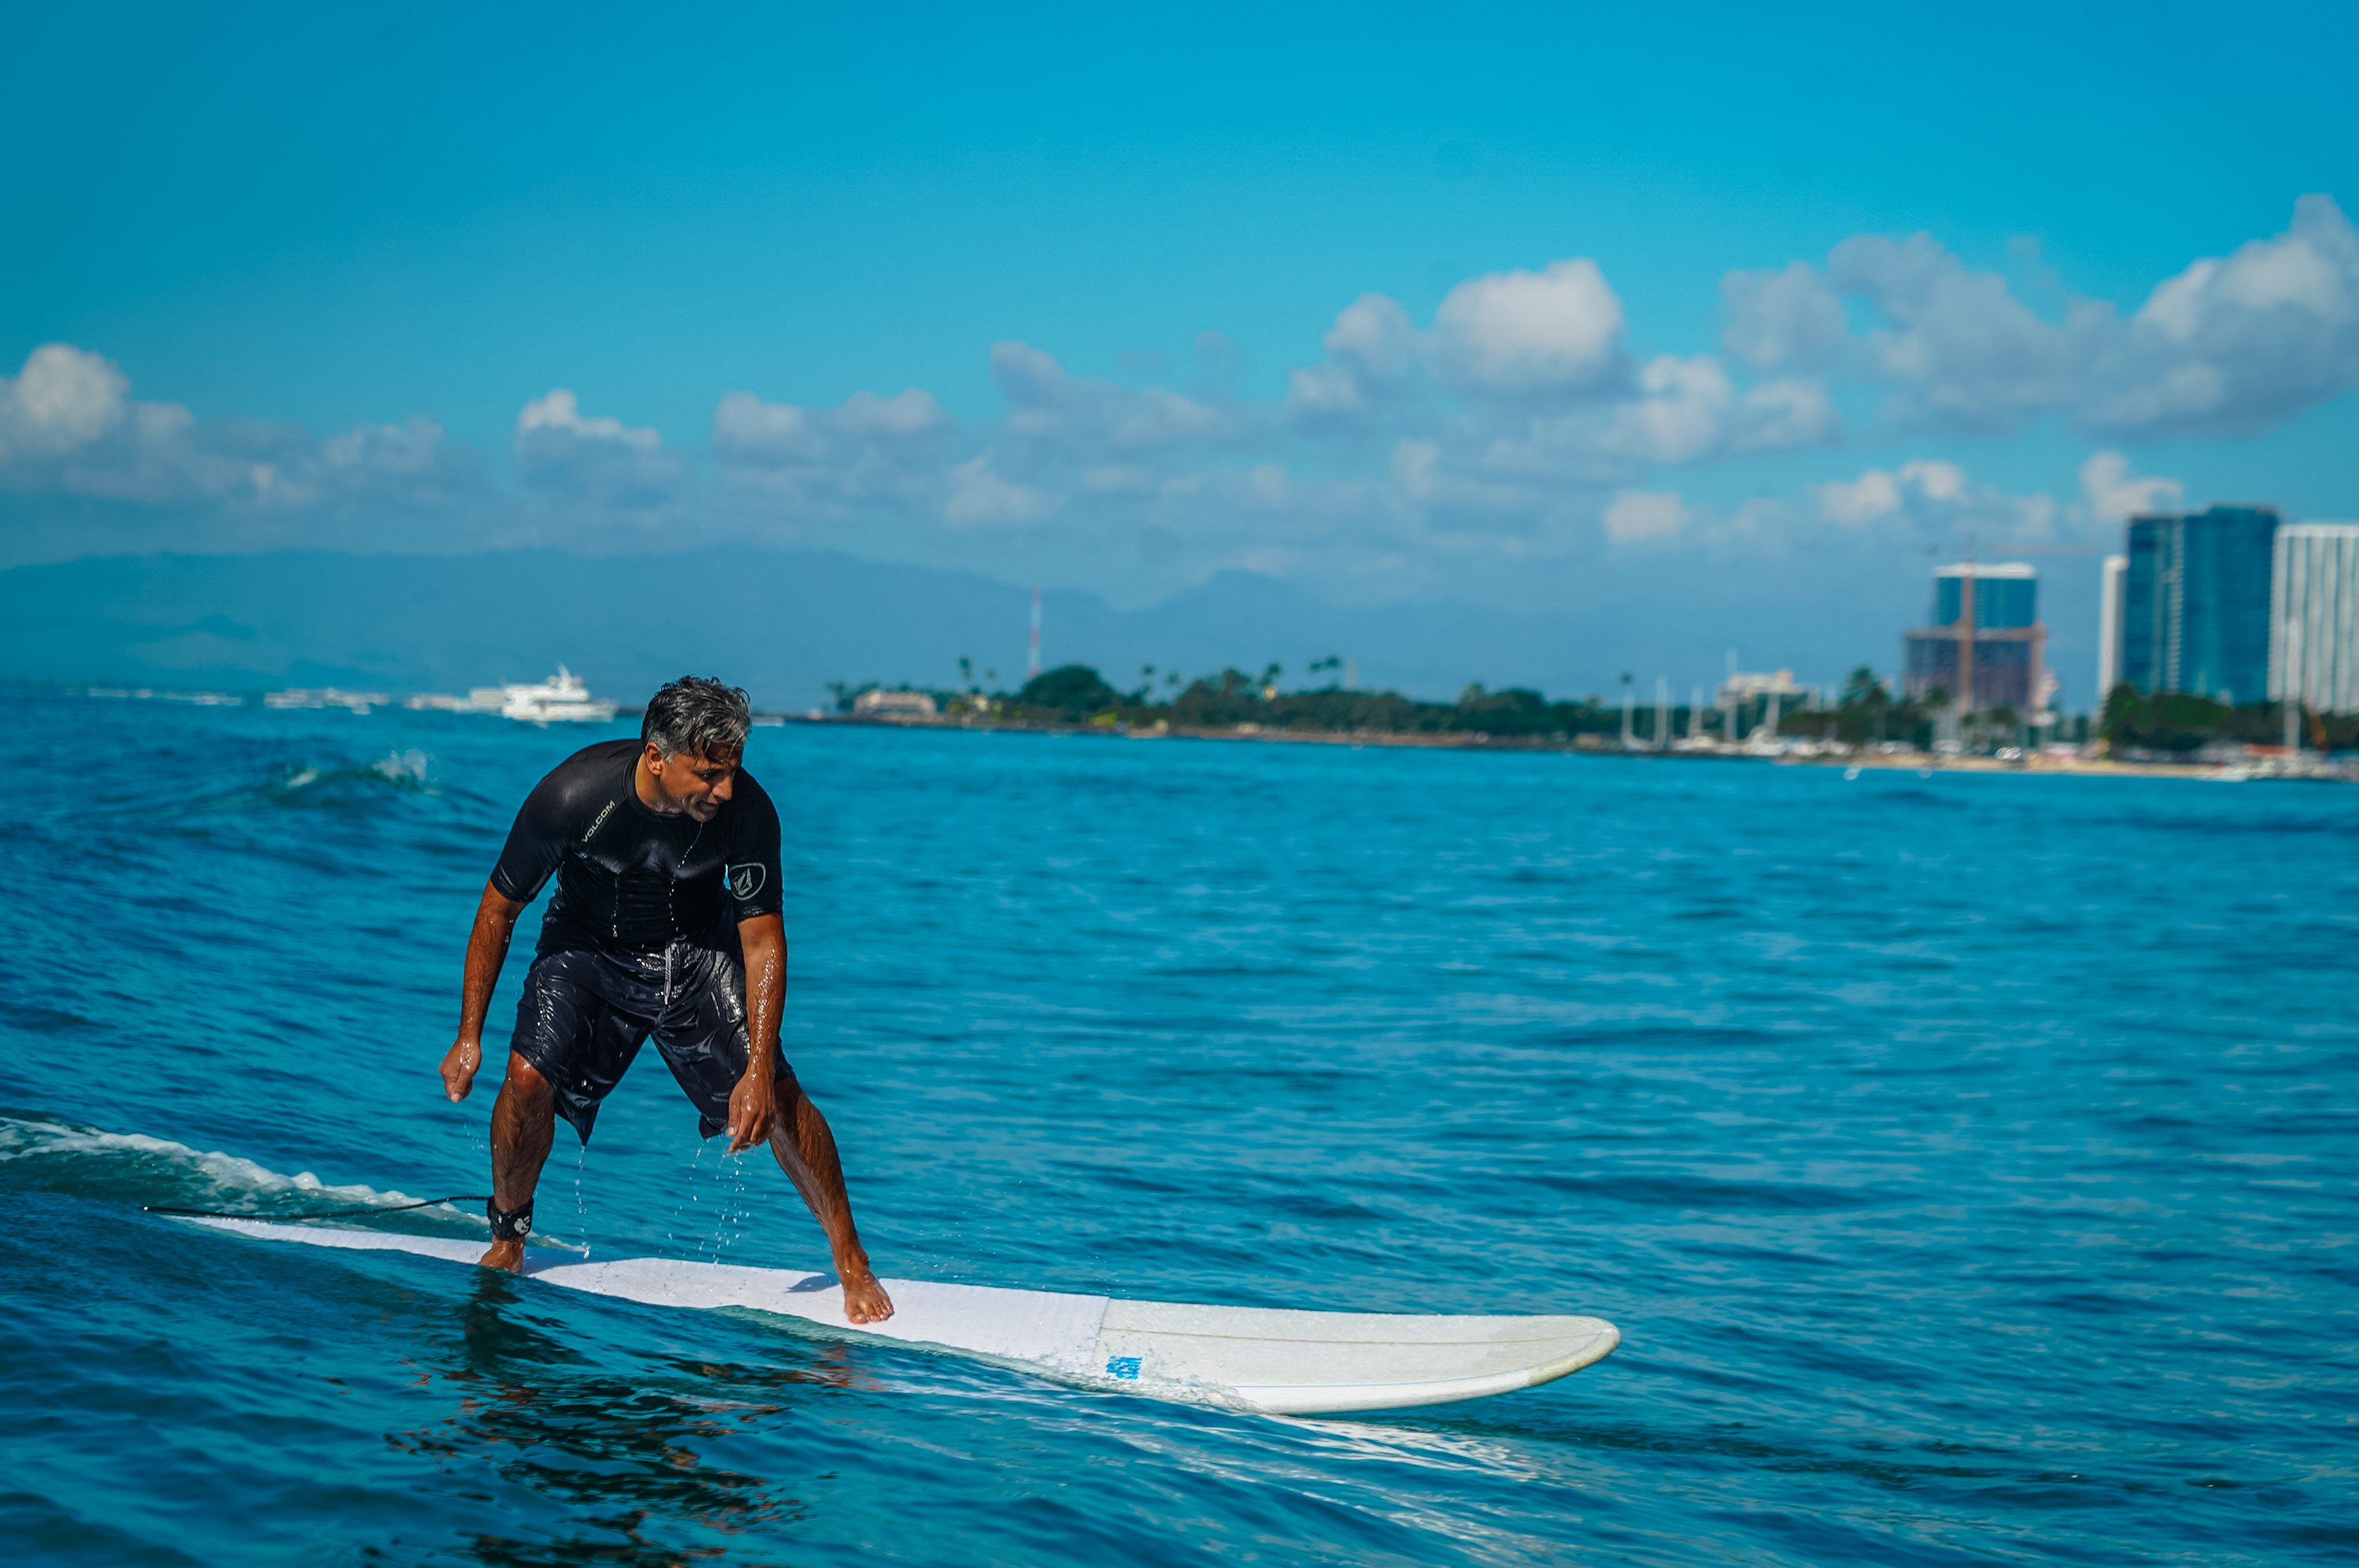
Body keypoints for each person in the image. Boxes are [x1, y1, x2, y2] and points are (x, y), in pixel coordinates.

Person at [437, 675, 892, 1323]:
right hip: (587, 948)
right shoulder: (572, 796)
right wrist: (468, 1035)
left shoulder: (747, 813)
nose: (725, 789)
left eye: (732, 771)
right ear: (657, 756)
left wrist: (758, 1070)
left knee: (782, 1098)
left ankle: (852, 1263)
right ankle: (508, 1239)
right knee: (526, 1078)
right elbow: (498, 911)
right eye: (708, 774)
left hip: (697, 954)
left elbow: (762, 944)